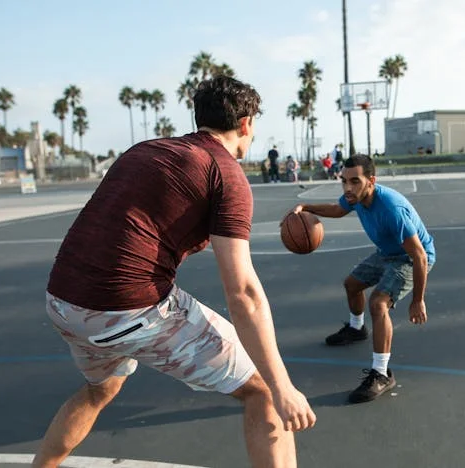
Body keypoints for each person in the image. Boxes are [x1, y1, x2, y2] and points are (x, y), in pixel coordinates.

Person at [32, 76, 316, 468]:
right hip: (125, 310)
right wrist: (283, 386)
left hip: (62, 301)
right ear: (246, 123)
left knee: (101, 389)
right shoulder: (225, 172)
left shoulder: (145, 150)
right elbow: (243, 293)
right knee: (263, 390)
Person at [287, 154, 435, 404]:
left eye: (354, 181)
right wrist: (306, 208)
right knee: (352, 284)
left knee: (378, 304)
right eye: (343, 181)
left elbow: (419, 256)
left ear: (371, 181)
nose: (347, 188)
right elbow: (337, 210)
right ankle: (356, 329)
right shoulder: (354, 198)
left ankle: (381, 373)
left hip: (409, 259)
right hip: (388, 253)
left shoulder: (391, 209)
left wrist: (418, 300)